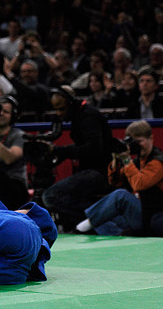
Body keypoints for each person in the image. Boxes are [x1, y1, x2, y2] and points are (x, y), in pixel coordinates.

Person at [75, 120, 163, 236]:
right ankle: (120, 236)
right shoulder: (137, 162)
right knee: (104, 216)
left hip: (158, 218)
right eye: (134, 143)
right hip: (144, 214)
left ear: (151, 138)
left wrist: (126, 160)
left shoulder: (158, 162)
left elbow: (139, 184)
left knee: (121, 196)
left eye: (139, 141)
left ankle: (87, 225)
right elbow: (115, 183)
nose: (137, 146)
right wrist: (116, 160)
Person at [40, 86, 116, 229]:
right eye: (56, 110)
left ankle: (107, 217)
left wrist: (58, 150)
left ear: (71, 103)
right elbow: (82, 147)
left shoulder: (88, 116)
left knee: (51, 196)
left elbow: (93, 149)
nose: (59, 114)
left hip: (100, 172)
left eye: (61, 109)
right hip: (93, 170)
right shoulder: (80, 115)